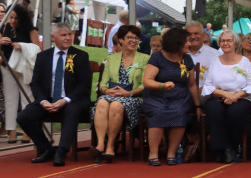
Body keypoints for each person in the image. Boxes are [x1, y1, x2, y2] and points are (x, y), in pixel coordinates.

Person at [18, 23, 92, 166]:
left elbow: (84, 84)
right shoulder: (43, 57)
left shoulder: (80, 56)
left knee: (72, 110)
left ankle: (61, 151)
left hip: (73, 100)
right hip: (49, 100)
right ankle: (47, 148)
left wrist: (65, 100)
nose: (68, 38)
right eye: (63, 35)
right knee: (24, 117)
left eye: (69, 34)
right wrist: (42, 101)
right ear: (53, 37)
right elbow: (35, 83)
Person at [142, 27, 200, 166]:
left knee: (179, 112)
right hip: (157, 94)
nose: (189, 44)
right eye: (186, 41)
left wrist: (198, 105)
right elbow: (147, 81)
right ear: (176, 42)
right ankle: (153, 153)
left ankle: (171, 153)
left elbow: (192, 85)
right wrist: (162, 85)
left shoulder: (186, 59)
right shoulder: (157, 57)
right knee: (158, 112)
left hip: (179, 96)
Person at [93, 24, 148, 162]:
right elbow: (103, 84)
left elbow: (145, 85)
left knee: (116, 105)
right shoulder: (112, 59)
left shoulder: (145, 59)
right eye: (130, 37)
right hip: (111, 94)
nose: (133, 41)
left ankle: (111, 145)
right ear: (121, 40)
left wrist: (128, 93)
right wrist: (107, 90)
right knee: (102, 102)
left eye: (136, 38)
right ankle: (100, 144)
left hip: (133, 97)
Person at [201, 30, 251, 164]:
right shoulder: (214, 61)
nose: (225, 43)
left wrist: (235, 96)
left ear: (236, 44)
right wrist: (226, 94)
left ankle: (231, 147)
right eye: (223, 41)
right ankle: (221, 148)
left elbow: (250, 86)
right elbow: (208, 86)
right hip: (219, 96)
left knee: (235, 112)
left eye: (229, 40)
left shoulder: (244, 61)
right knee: (214, 110)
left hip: (242, 97)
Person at [2, 3, 39, 143]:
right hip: (7, 66)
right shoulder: (5, 28)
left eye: (16, 18)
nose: (12, 21)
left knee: (27, 98)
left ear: (22, 18)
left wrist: (22, 46)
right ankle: (11, 131)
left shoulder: (30, 30)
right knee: (10, 99)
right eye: (10, 17)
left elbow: (37, 48)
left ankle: (26, 131)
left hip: (24, 68)